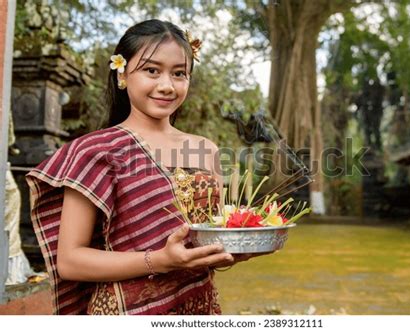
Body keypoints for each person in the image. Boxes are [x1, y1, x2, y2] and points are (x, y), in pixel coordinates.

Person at [26, 19, 254, 315]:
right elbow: (70, 262)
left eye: (179, 73)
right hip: (126, 312)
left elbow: (206, 241)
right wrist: (159, 260)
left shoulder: (206, 150)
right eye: (151, 70)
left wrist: (232, 251)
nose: (166, 86)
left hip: (197, 306)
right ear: (122, 74)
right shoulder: (95, 151)